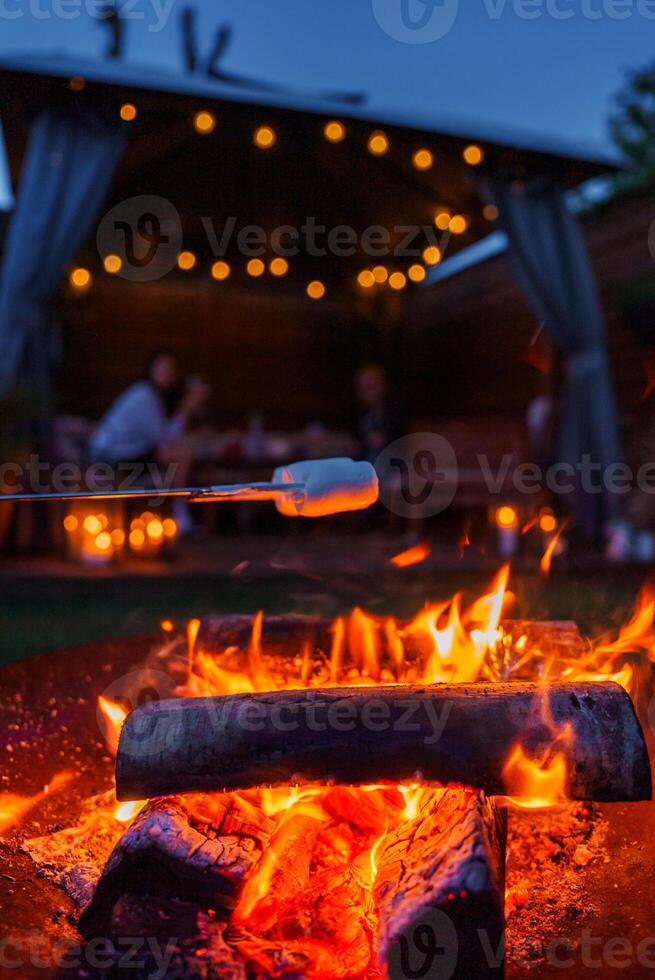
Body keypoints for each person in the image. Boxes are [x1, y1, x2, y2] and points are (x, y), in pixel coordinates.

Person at [88, 351, 208, 533]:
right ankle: (181, 517)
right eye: (163, 369)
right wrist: (187, 409)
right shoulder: (144, 396)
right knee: (181, 455)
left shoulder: (152, 396)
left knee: (178, 453)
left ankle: (179, 515)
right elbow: (163, 438)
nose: (168, 374)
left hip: (123, 453)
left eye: (171, 370)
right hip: (109, 457)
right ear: (152, 370)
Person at [354, 363, 400, 462]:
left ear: (383, 385)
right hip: (365, 467)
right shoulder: (359, 414)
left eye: (371, 387)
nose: (367, 393)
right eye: (362, 389)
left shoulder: (395, 412)